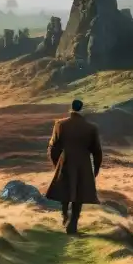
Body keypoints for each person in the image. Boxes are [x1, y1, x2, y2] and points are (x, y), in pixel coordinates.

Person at [45, 98, 103, 235]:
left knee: (66, 190)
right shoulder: (91, 128)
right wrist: (96, 169)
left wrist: (56, 164)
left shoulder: (60, 124)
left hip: (65, 161)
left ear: (71, 108)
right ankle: (73, 224)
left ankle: (65, 214)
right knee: (79, 194)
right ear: (82, 109)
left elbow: (53, 147)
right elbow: (97, 151)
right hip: (83, 163)